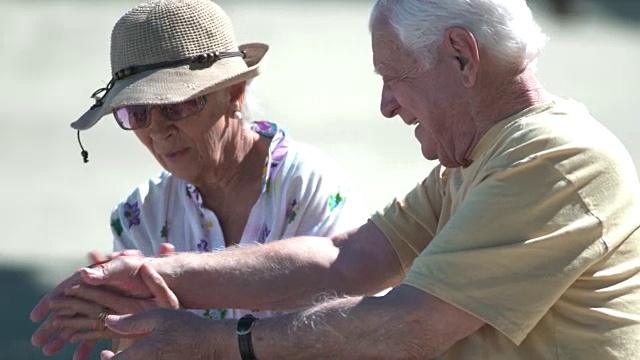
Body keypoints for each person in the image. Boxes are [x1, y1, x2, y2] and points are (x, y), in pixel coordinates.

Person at [31, 0, 640, 359]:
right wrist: (162, 274)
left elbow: (409, 324)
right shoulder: (481, 157)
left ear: (461, 55)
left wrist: (212, 342)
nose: (387, 107)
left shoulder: (551, 157)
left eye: (394, 76)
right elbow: (346, 257)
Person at [29, 0, 368, 358]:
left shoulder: (308, 184)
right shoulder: (142, 214)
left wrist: (196, 337)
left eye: (177, 105)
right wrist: (135, 325)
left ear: (234, 94)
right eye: (137, 112)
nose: (158, 130)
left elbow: (352, 334)